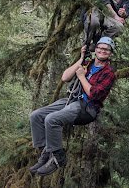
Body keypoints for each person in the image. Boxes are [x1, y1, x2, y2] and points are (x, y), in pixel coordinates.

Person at [29, 37, 116, 176]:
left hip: (87, 108)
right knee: (36, 116)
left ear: (110, 53)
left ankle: (58, 158)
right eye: (100, 48)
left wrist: (82, 77)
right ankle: (45, 152)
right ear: (96, 49)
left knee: (51, 119)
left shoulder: (109, 73)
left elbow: (94, 94)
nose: (102, 51)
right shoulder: (87, 63)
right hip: (72, 99)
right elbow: (65, 77)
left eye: (106, 49)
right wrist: (81, 58)